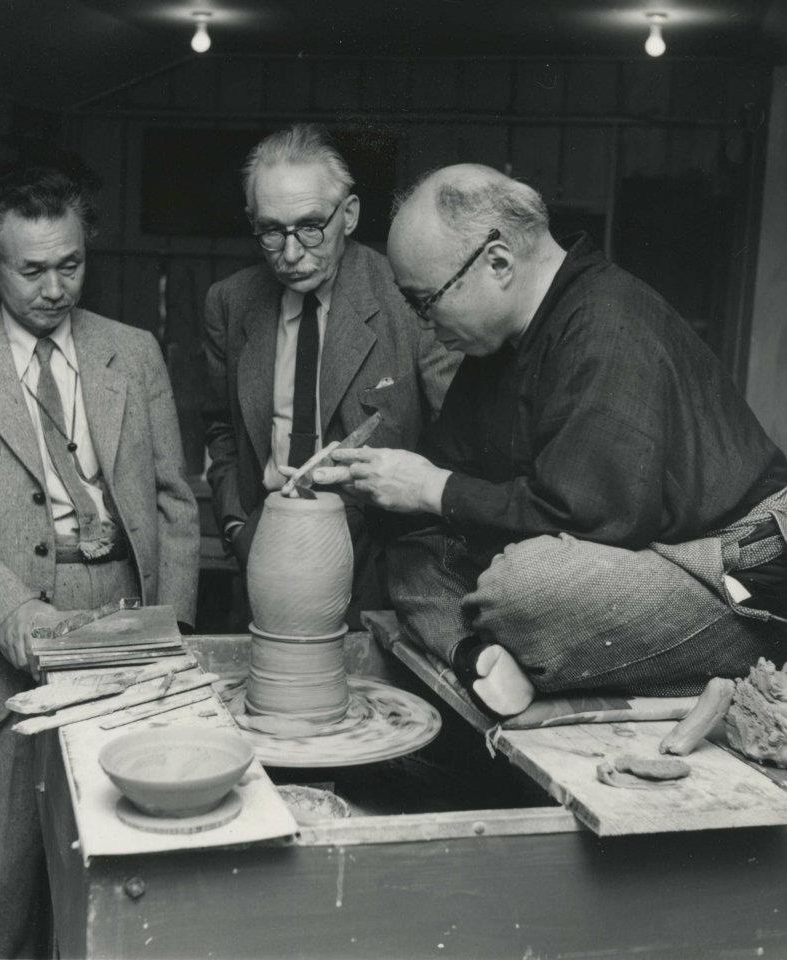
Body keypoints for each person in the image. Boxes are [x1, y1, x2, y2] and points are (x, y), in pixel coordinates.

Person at [313, 163, 787, 717]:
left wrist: (432, 488)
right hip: (623, 556)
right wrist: (378, 483)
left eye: (425, 300)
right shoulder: (498, 342)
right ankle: (482, 657)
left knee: (524, 588)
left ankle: (505, 647)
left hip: (730, 568)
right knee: (414, 549)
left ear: (497, 262)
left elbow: (597, 524)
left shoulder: (608, 326)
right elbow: (452, 481)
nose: (423, 323)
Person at [0, 167, 200, 958]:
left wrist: (173, 629)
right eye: (32, 270)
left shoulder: (132, 352)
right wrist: (12, 619)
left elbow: (173, 501)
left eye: (72, 264)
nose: (56, 287)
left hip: (124, 629)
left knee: (114, 858)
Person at [203, 124, 458, 624]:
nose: (292, 253)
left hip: (381, 567)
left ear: (350, 215)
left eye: (311, 226)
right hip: (265, 548)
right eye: (272, 230)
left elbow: (457, 438)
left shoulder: (408, 297)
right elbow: (220, 429)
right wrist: (236, 527)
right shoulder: (230, 302)